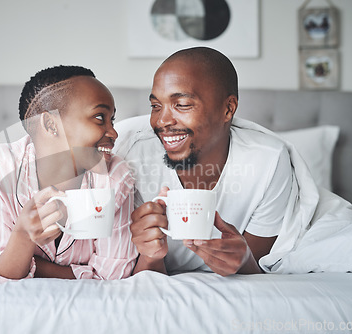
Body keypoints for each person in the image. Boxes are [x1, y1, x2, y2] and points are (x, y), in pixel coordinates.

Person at [114, 47, 294, 277]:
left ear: (228, 109)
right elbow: (137, 276)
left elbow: (256, 271)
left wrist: (244, 260)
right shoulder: (132, 159)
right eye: (155, 106)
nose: (162, 120)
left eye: (182, 105)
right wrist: (150, 254)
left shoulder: (267, 161)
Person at [0, 65, 138, 283]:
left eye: (112, 120)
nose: (113, 132)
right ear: (51, 124)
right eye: (99, 117)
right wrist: (22, 235)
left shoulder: (116, 177)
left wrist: (30, 265)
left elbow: (113, 274)